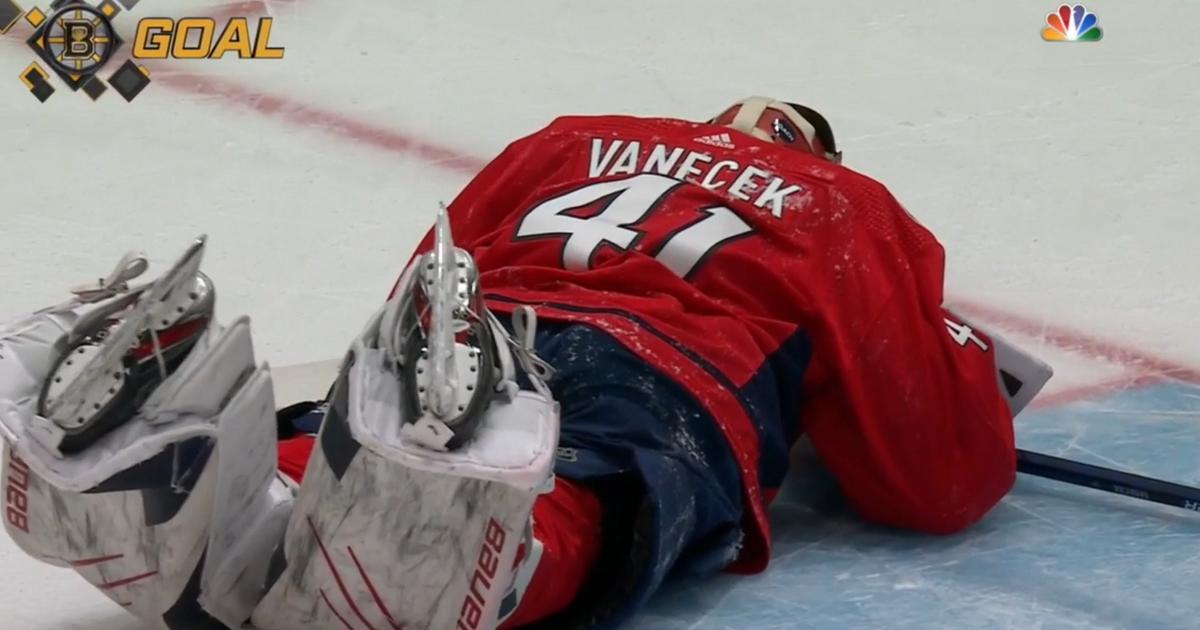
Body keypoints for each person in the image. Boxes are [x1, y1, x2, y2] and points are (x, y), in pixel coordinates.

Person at [0, 97, 1051, 630]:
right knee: (590, 478)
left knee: (394, 427)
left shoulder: (571, 139)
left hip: (503, 325)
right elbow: (938, 476)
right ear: (820, 153)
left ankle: (226, 473)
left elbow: (424, 295)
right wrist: (942, 355)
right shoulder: (841, 207)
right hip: (666, 374)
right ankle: (481, 544)